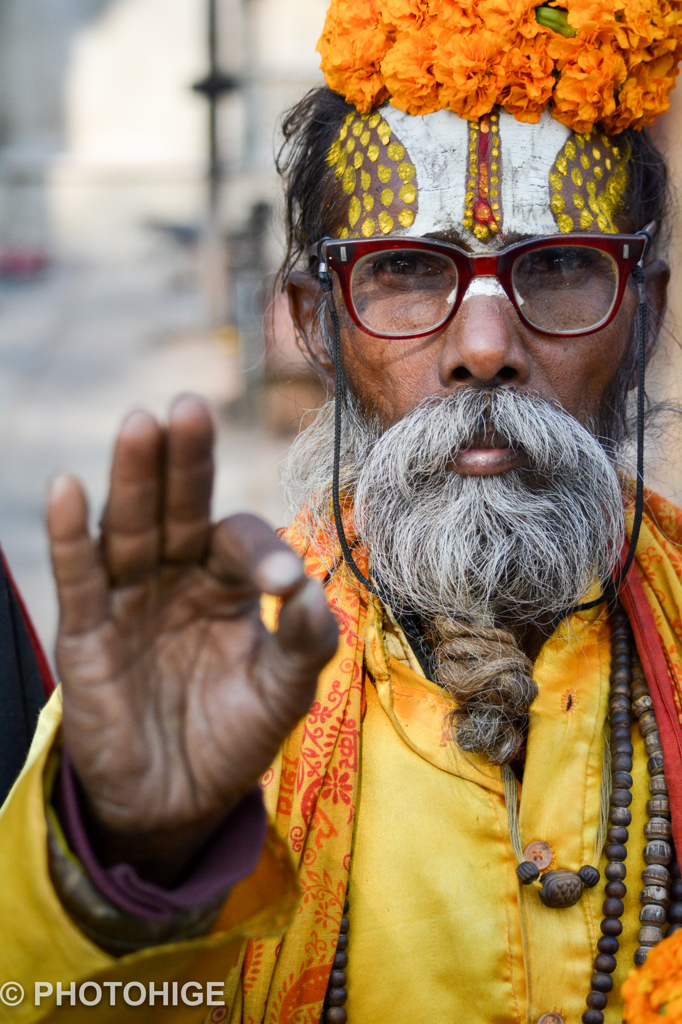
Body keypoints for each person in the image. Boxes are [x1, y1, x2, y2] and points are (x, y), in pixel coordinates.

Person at [2, 1, 682, 1022]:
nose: (485, 344)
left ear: (646, 315)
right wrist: (131, 862)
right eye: (409, 271)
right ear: (318, 324)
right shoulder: (200, 674)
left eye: (555, 265)